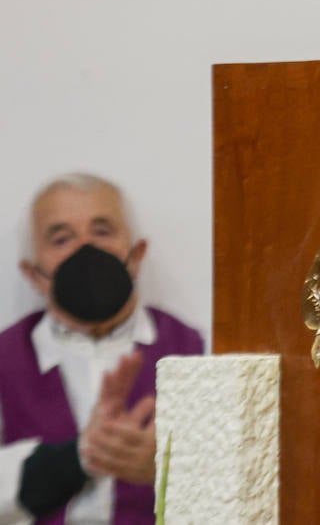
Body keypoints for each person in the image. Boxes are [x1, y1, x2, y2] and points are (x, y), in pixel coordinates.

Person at [0, 173, 204, 524]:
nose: (85, 249)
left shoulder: (194, 348)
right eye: (62, 238)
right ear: (33, 274)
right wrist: (79, 457)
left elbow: (239, 475)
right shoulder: (7, 356)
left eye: (102, 231)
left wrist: (171, 469)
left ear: (137, 255)